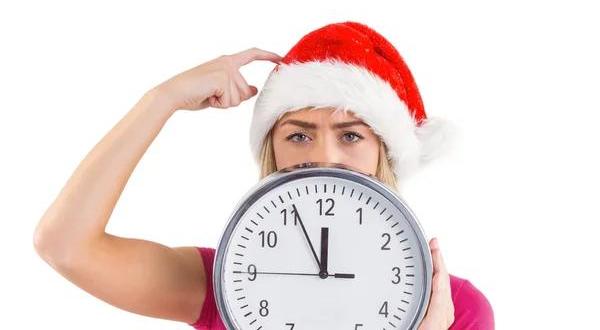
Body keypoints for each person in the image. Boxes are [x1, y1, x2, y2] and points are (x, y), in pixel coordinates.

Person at [33, 21, 494, 329]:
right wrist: (163, 98)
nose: (323, 157)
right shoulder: (221, 285)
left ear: (384, 152)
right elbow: (64, 246)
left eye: (351, 136)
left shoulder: (456, 310)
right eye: (298, 135)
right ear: (271, 147)